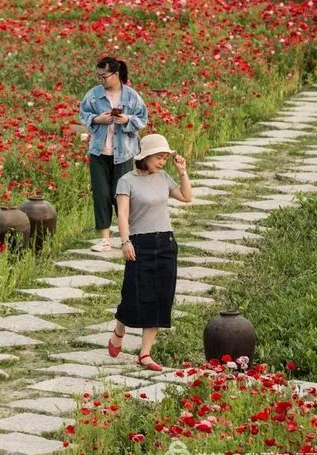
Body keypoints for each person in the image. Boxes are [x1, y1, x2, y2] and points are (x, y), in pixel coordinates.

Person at [108, 134, 192, 371]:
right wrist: (125, 242)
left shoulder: (164, 177)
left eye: (165, 157)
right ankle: (120, 328)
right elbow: (122, 214)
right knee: (133, 293)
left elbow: (187, 197)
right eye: (159, 157)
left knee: (161, 296)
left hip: (165, 242)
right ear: (144, 156)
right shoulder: (126, 181)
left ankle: (145, 354)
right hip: (139, 243)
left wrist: (182, 171)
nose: (162, 162)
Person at [79, 57, 148, 252]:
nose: (101, 80)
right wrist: (97, 119)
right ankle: (104, 239)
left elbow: (143, 119)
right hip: (99, 152)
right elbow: (83, 114)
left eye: (104, 76)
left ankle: (127, 236)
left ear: (116, 74)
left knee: (122, 195)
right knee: (101, 194)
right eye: (98, 76)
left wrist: (126, 119)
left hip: (124, 153)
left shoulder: (131, 96)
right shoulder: (93, 95)